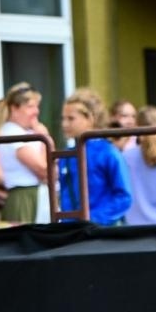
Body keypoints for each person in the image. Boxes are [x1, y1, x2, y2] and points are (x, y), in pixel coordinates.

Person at [57, 89, 133, 225]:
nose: (64, 124)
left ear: (90, 119)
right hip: (71, 230)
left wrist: (94, 219)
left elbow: (124, 197)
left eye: (71, 118)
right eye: (63, 118)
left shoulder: (108, 152)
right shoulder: (66, 154)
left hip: (101, 232)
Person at [0, 83, 49, 224]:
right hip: (23, 197)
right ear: (14, 108)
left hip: (37, 194)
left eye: (37, 106)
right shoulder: (11, 132)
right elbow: (44, 169)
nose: (36, 112)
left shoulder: (30, 132)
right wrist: (45, 140)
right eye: (30, 107)